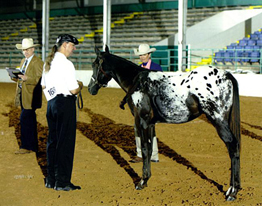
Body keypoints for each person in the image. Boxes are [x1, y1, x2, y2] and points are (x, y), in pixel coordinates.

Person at [41, 34, 83, 191]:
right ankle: (63, 182)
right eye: (73, 45)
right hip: (65, 104)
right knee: (65, 143)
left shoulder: (48, 63)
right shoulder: (67, 64)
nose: (74, 49)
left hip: (51, 104)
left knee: (53, 142)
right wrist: (80, 86)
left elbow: (43, 87)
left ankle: (51, 179)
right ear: (65, 45)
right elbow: (73, 89)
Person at [129, 44, 163, 163]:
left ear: (149, 55)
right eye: (140, 55)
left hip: (152, 103)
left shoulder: (156, 68)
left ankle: (153, 155)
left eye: (144, 54)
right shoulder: (137, 69)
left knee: (150, 128)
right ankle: (140, 153)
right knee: (138, 127)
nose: (142, 57)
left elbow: (159, 87)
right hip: (140, 104)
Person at [12, 38, 43, 154]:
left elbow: (40, 79)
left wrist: (26, 78)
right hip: (23, 95)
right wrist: (14, 76)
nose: (25, 52)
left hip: (31, 96)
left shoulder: (38, 62)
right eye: (23, 50)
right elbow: (20, 77)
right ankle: (32, 146)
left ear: (33, 49)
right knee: (29, 120)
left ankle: (26, 146)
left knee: (25, 119)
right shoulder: (22, 62)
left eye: (27, 49)